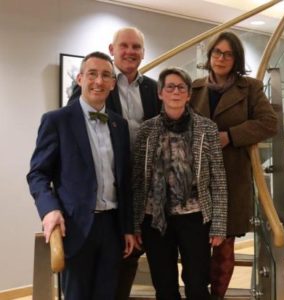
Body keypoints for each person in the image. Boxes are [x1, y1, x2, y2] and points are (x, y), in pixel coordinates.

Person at [27, 51, 135, 300]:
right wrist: (49, 210)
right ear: (80, 79)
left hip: (112, 227)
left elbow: (125, 182)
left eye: (106, 75)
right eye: (92, 74)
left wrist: (128, 227)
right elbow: (38, 174)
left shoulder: (120, 125)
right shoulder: (57, 120)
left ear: (112, 83)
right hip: (76, 227)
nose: (99, 81)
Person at [68, 26, 161, 300]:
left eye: (136, 47)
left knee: (128, 256)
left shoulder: (153, 89)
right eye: (124, 46)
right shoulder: (100, 83)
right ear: (112, 50)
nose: (130, 52)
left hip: (141, 189)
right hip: (104, 187)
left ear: (143, 53)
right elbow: (75, 130)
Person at [190, 31, 278, 300]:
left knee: (224, 245)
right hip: (194, 180)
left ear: (236, 58)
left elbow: (268, 123)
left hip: (232, 178)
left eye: (228, 54)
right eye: (217, 52)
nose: (221, 58)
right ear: (209, 56)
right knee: (194, 243)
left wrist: (231, 136)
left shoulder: (250, 87)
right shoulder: (193, 87)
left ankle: (217, 296)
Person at [132, 67, 228, 300]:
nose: (175, 92)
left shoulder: (207, 128)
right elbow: (137, 180)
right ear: (160, 93)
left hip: (194, 217)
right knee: (164, 287)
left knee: (197, 284)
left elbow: (218, 178)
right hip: (154, 218)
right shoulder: (146, 130)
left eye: (181, 87)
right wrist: (135, 223)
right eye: (170, 87)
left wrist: (219, 225)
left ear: (188, 95)